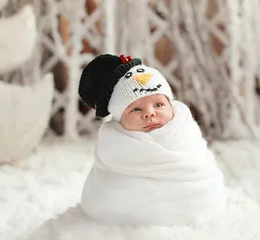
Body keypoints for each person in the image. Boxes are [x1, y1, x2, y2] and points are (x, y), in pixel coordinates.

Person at [78, 54, 227, 226]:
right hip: (126, 220)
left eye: (158, 105)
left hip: (196, 202)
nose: (149, 113)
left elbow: (202, 169)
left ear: (171, 105)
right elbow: (102, 193)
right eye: (135, 109)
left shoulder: (186, 133)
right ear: (119, 119)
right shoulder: (114, 149)